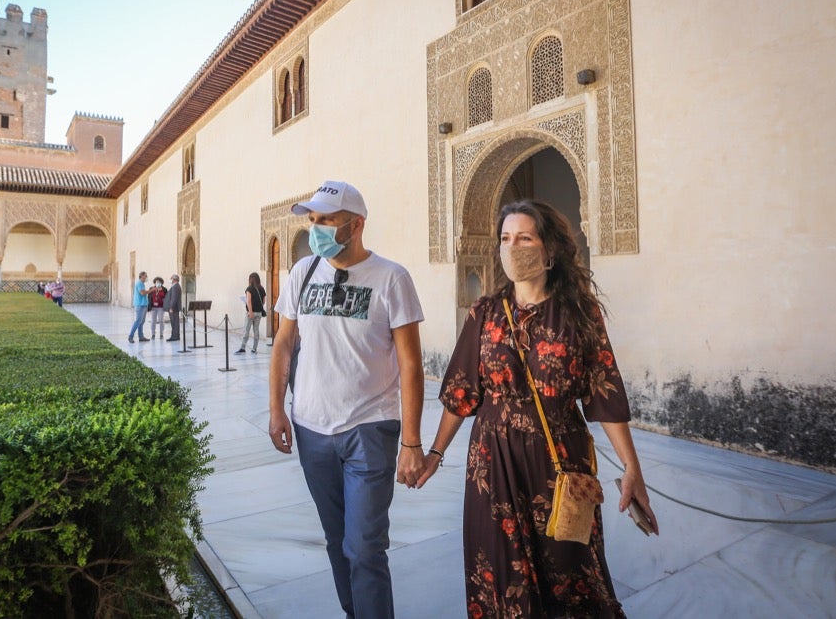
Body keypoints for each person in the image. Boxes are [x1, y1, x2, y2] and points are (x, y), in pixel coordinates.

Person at [415, 199, 659, 618]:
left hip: (561, 460)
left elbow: (603, 394)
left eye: (524, 238)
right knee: (499, 570)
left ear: (549, 249)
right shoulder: (485, 313)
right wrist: (435, 452)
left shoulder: (579, 314)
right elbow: (461, 393)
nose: (513, 248)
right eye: (506, 239)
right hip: (493, 462)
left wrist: (632, 468)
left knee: (572, 570)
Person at [268, 180, 426, 619]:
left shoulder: (392, 279)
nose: (315, 229)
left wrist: (411, 443)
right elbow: (283, 343)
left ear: (355, 225)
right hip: (311, 428)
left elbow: (411, 365)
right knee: (337, 541)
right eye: (313, 220)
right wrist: (277, 408)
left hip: (370, 428)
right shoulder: (302, 273)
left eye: (325, 221)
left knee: (365, 547)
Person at [236, 272, 266, 353]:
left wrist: (251, 312)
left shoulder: (249, 289)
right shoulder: (262, 288)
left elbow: (248, 301)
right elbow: (263, 301)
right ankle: (254, 348)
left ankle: (243, 347)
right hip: (259, 313)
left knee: (246, 330)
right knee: (256, 330)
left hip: (251, 313)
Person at [127, 271, 150, 343]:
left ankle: (141, 336)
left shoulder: (142, 284)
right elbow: (142, 293)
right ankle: (130, 336)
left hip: (143, 305)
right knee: (138, 321)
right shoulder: (139, 283)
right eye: (145, 276)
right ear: (141, 276)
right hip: (140, 305)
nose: (146, 277)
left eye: (146, 276)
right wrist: (151, 290)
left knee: (141, 322)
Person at [164, 274, 182, 341]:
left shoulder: (175, 287)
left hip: (173, 308)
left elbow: (174, 298)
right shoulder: (176, 286)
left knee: (174, 322)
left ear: (174, 279)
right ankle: (175, 335)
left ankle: (175, 336)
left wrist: (171, 307)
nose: (170, 280)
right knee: (174, 322)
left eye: (171, 278)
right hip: (174, 308)